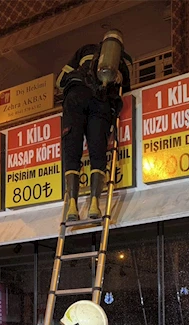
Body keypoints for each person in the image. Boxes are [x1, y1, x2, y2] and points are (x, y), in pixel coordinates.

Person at [57, 29, 132, 222]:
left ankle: (72, 205)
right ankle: (94, 204)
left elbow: (60, 81)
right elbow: (126, 91)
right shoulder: (123, 63)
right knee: (98, 153)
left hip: (75, 99)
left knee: (72, 152)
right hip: (101, 103)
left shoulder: (85, 50)